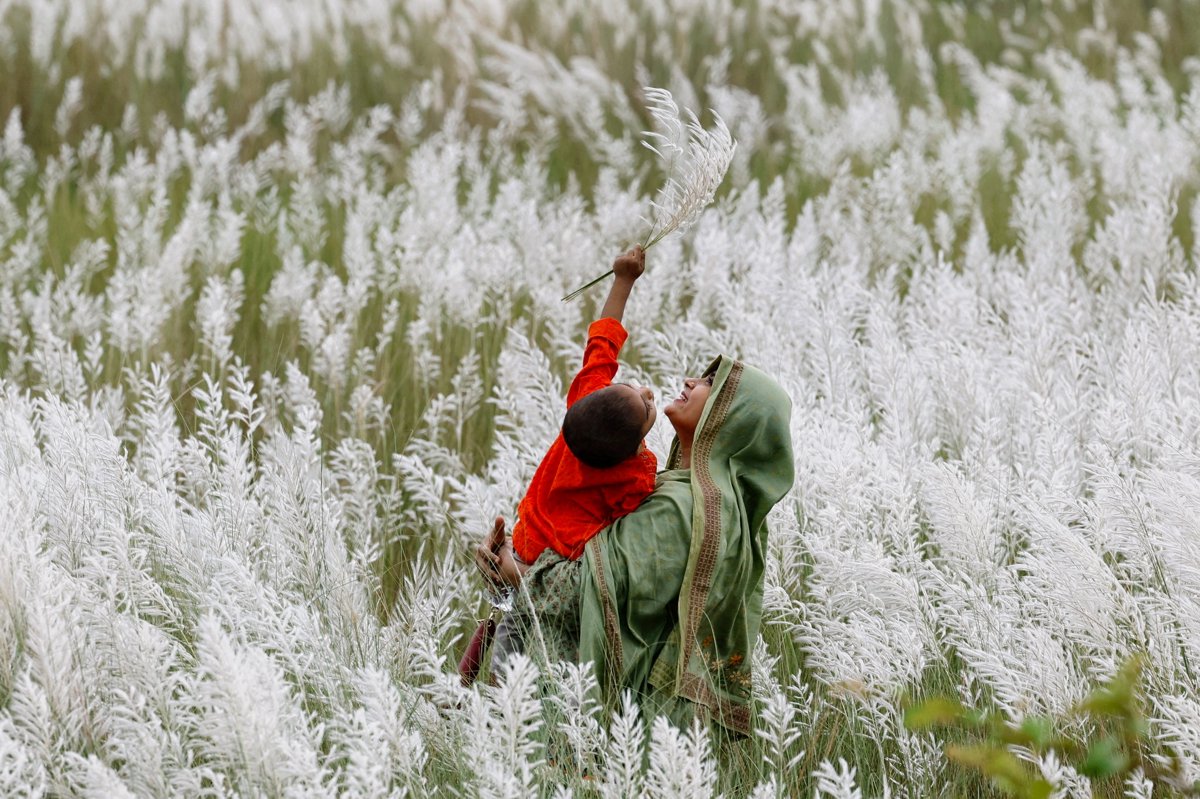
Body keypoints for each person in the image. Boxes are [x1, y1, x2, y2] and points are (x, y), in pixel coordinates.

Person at [477, 354, 794, 736]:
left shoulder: (684, 508)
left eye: (711, 382)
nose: (692, 381)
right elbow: (591, 560)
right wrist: (512, 561)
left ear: (732, 416)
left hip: (614, 726)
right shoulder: (685, 492)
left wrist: (513, 569)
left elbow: (587, 590)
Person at [509, 245, 657, 567]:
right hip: (554, 568)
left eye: (633, 389)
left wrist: (623, 279)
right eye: (647, 410)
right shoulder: (634, 477)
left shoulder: (586, 397)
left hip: (523, 540)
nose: (648, 392)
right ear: (634, 447)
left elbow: (603, 344)